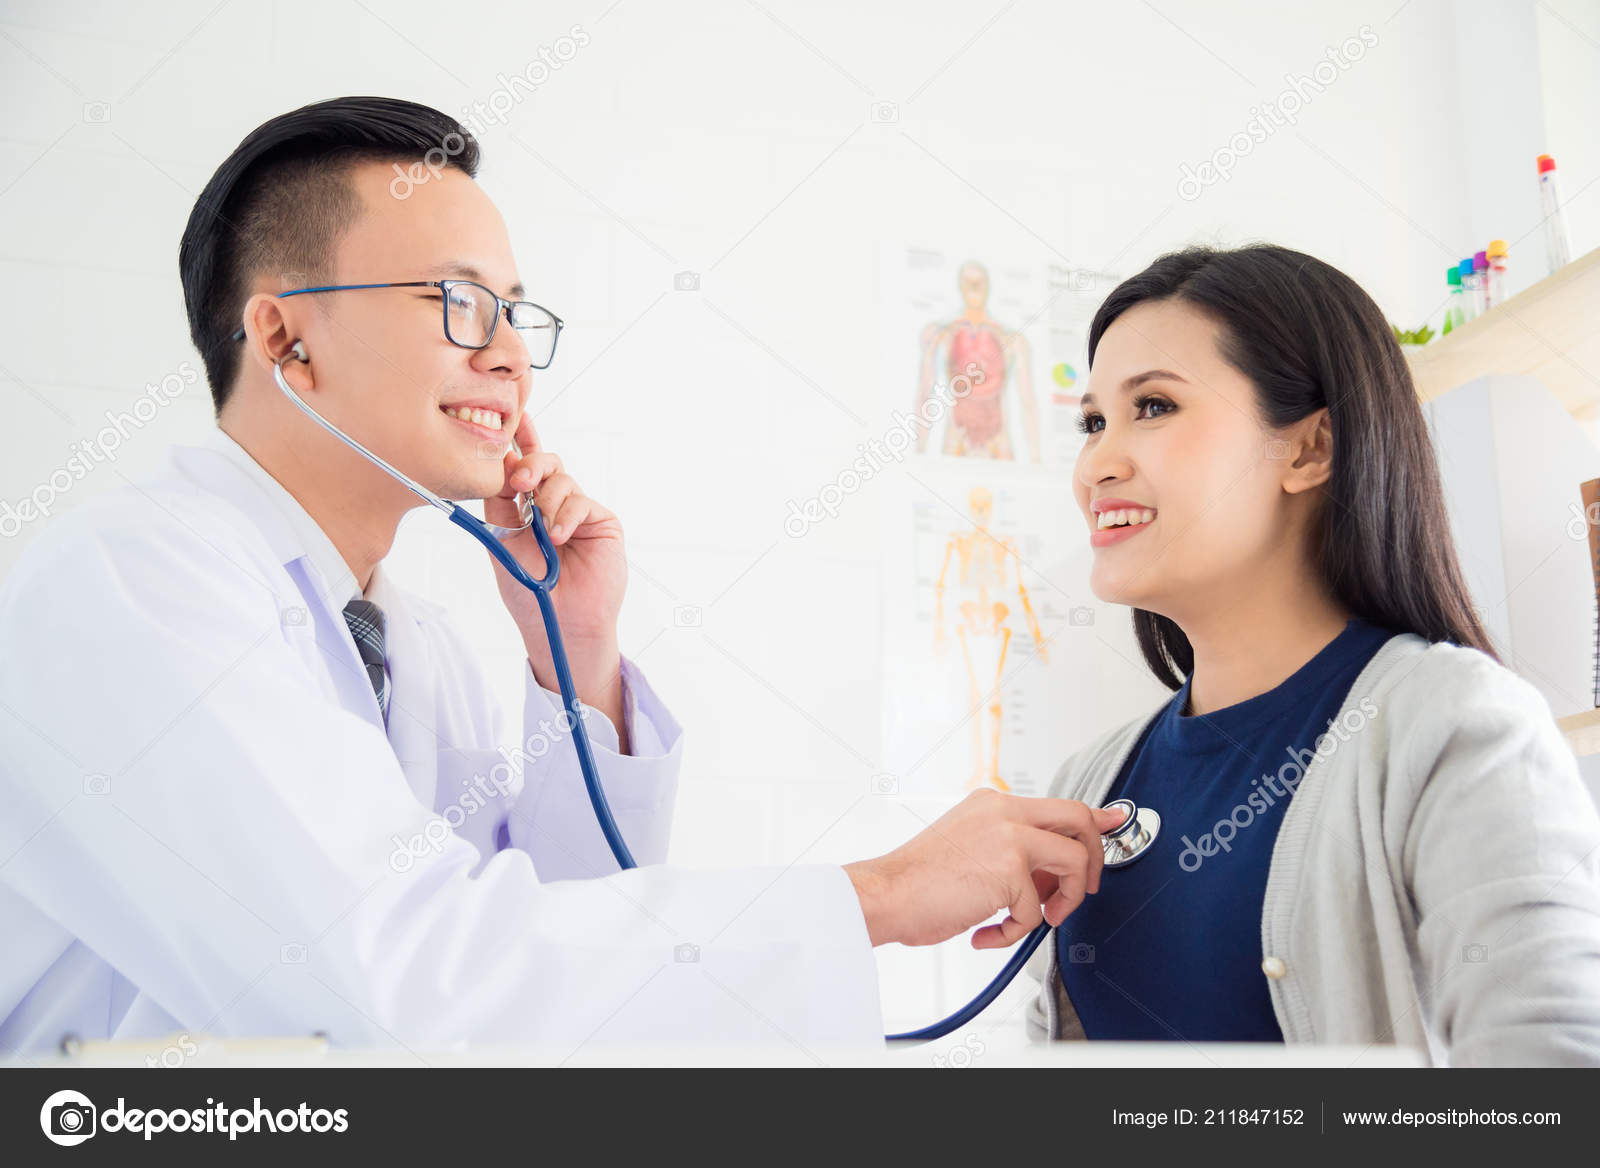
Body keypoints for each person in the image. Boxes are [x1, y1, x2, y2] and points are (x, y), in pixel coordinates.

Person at [0, 96, 1123, 1056]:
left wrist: (573, 652)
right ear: (287, 343)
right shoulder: (131, 584)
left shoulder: (410, 639)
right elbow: (408, 989)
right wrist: (878, 896)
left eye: (513, 313)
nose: (504, 354)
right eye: (455, 303)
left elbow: (554, 974)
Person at [1023, 244, 1600, 1065]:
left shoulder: (1455, 727)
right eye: (1092, 422)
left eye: (1152, 406)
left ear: (1309, 449)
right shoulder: (1085, 784)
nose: (1096, 466)